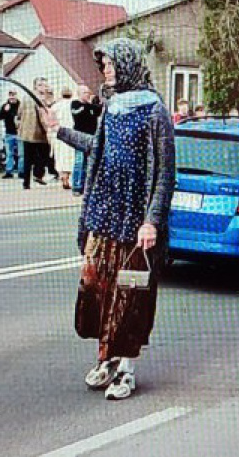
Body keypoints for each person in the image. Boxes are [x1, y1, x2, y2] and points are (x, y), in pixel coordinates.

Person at [46, 38, 176, 401]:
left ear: (128, 65)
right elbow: (96, 149)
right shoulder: (111, 107)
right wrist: (60, 131)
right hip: (102, 216)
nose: (105, 69)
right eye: (103, 64)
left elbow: (165, 172)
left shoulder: (154, 111)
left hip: (136, 226)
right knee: (97, 290)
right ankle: (106, 358)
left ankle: (127, 370)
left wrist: (152, 220)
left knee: (130, 296)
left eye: (110, 64)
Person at [17, 77, 52, 189]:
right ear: (35, 86)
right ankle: (38, 175)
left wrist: (20, 127)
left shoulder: (25, 98)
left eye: (45, 85)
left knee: (28, 158)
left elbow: (19, 114)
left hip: (26, 134)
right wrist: (48, 130)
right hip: (39, 133)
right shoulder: (41, 99)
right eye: (41, 85)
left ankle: (26, 182)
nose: (44, 87)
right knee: (43, 155)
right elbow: (43, 116)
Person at [70, 85, 101, 195]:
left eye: (88, 92)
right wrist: (88, 104)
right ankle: (76, 186)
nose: (87, 94)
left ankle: (87, 185)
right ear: (79, 93)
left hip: (91, 137)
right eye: (84, 92)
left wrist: (95, 102)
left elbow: (98, 112)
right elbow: (78, 113)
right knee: (79, 161)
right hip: (79, 136)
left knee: (89, 163)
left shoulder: (91, 106)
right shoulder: (75, 104)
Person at [52, 87, 78, 189]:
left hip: (59, 134)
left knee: (60, 157)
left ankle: (62, 176)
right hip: (72, 134)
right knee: (71, 157)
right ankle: (69, 179)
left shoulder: (56, 106)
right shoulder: (74, 104)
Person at [0, 90, 22, 179]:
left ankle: (21, 171)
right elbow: (0, 117)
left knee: (21, 154)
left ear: (17, 95)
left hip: (20, 133)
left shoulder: (21, 105)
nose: (12, 97)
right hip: (9, 133)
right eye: (10, 95)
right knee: (9, 153)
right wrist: (5, 111)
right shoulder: (5, 106)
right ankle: (9, 172)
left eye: (14, 95)